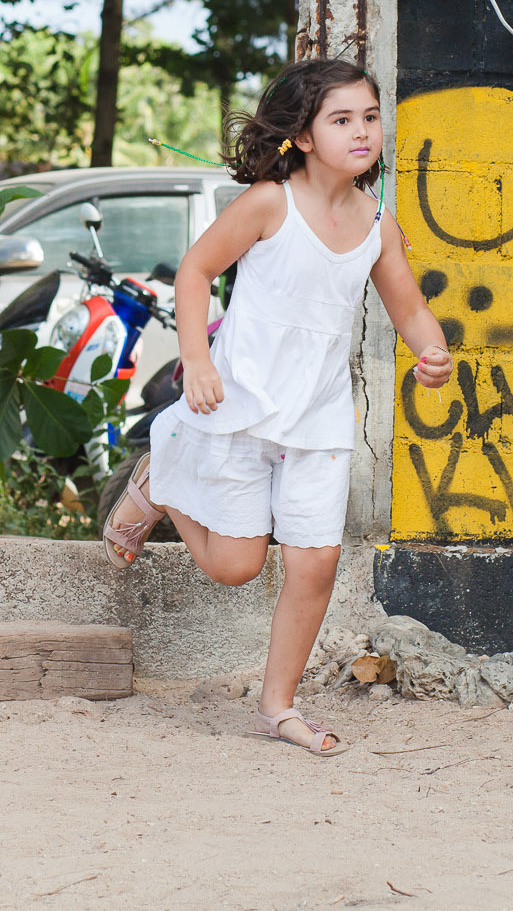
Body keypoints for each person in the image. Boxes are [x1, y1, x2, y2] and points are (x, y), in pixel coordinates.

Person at [100, 57, 453, 756]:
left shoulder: (378, 223)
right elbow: (197, 270)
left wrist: (431, 349)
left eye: (371, 117)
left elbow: (407, 305)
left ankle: (279, 705)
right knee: (235, 565)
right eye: (342, 118)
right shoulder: (269, 202)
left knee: (314, 562)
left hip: (318, 416)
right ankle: (159, 480)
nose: (362, 130)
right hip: (239, 403)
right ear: (302, 134)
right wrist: (196, 360)